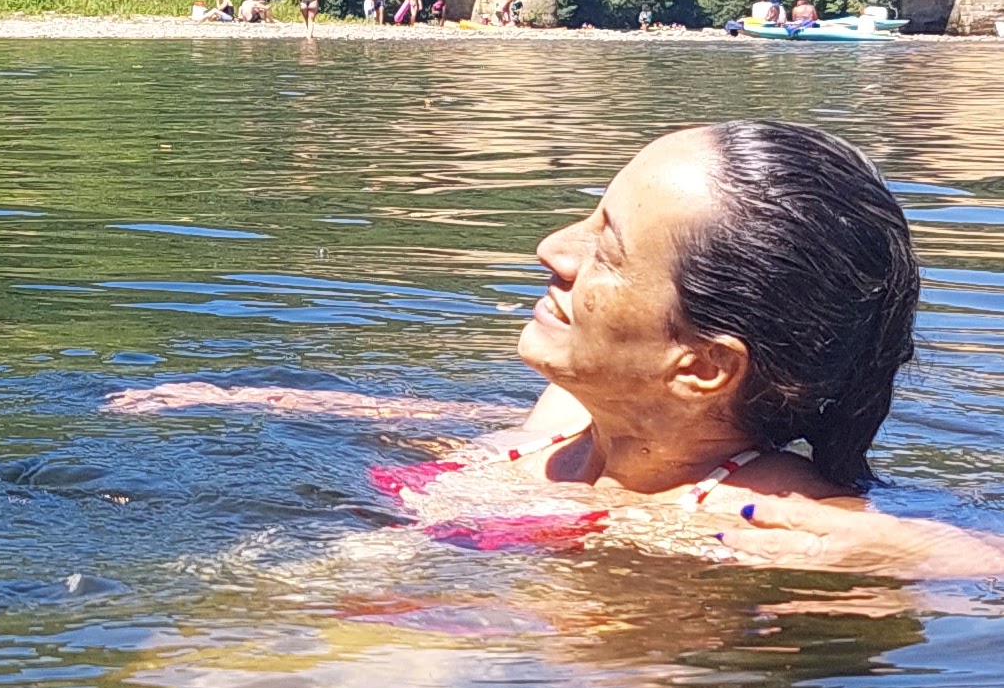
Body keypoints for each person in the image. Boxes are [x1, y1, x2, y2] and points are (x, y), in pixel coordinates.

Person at [106, 119, 1004, 579]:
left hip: (415, 682)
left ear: (701, 366)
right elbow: (449, 418)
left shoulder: (753, 511)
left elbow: (971, 561)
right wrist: (254, 399)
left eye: (607, 248)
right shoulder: (575, 414)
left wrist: (905, 554)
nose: (553, 248)